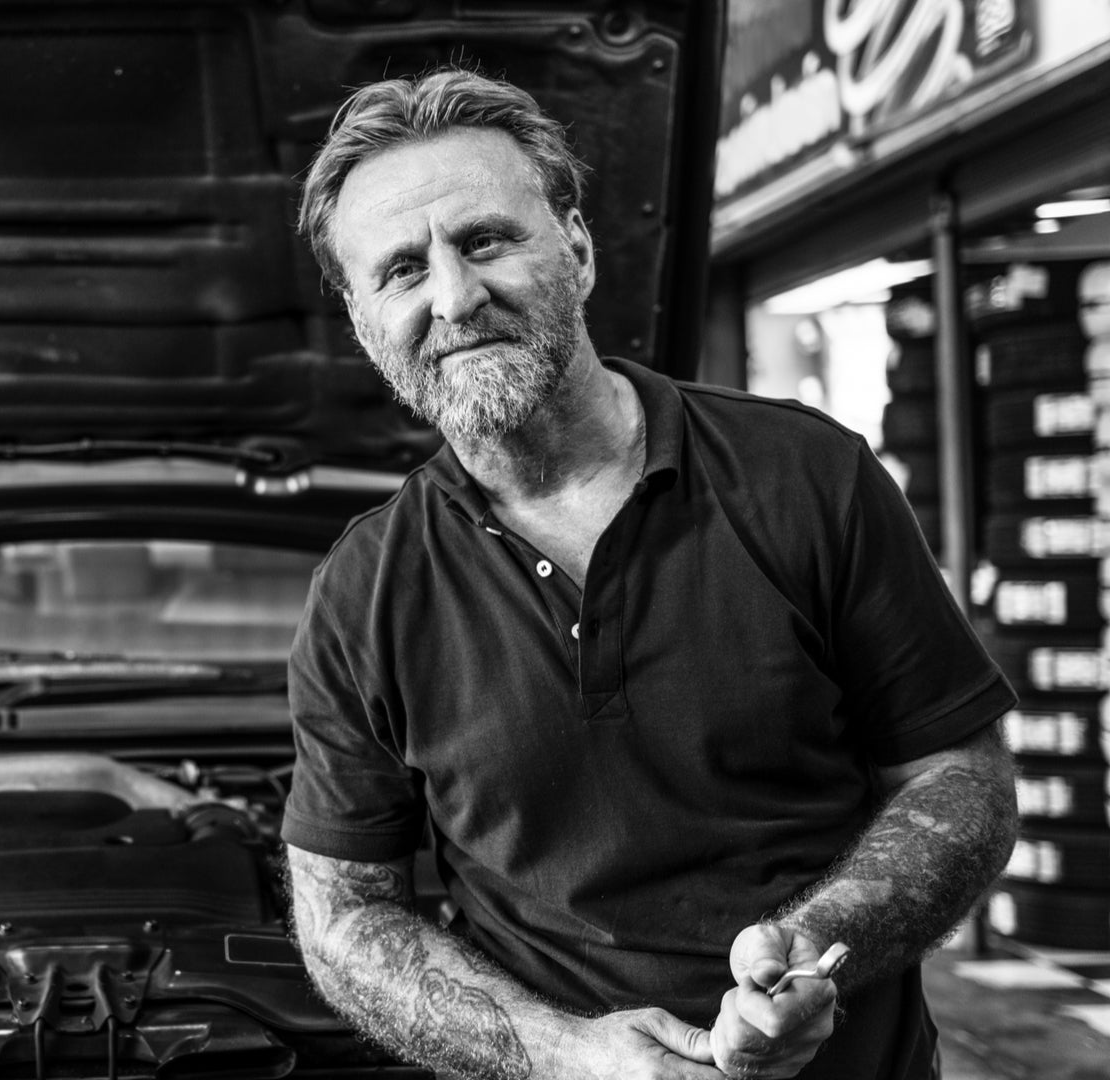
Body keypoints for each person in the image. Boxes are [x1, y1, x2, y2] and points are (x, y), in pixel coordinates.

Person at [281, 68, 1019, 1080]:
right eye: (403, 270)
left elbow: (960, 776)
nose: (456, 296)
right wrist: (562, 1054)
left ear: (576, 248)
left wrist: (821, 947)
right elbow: (347, 917)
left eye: (486, 240)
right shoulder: (363, 591)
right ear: (366, 319)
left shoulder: (807, 476)